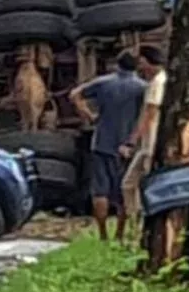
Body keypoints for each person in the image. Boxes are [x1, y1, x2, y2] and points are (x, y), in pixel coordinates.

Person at [69, 52, 148, 241]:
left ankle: (103, 233)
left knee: (100, 190)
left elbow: (74, 95)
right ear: (136, 66)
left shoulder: (103, 82)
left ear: (117, 64)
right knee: (123, 190)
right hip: (128, 146)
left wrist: (88, 115)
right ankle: (120, 233)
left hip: (102, 142)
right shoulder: (142, 88)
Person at [117, 46, 166, 241]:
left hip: (150, 143)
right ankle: (135, 227)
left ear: (148, 61)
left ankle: (142, 230)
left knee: (141, 185)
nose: (139, 66)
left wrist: (132, 140)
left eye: (142, 62)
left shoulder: (157, 83)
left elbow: (149, 114)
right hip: (147, 143)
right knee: (128, 184)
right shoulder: (157, 81)